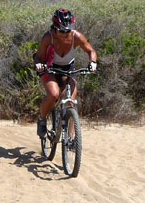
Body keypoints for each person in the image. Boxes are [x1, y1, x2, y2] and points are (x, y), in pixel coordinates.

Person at [33, 9, 97, 138]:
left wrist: (93, 63)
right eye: (61, 31)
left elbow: (91, 51)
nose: (65, 34)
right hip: (49, 68)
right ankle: (42, 119)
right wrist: (38, 65)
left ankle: (71, 138)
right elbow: (38, 57)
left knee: (71, 102)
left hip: (68, 69)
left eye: (68, 30)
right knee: (53, 94)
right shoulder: (48, 37)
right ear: (55, 28)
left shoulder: (76, 36)